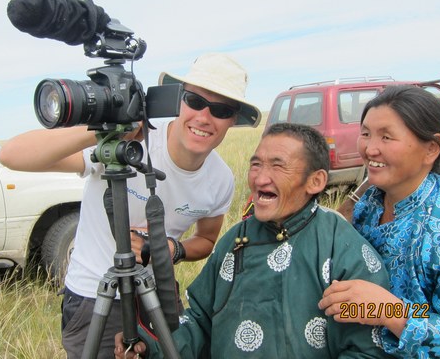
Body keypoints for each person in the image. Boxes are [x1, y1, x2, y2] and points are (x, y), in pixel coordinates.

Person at [0, 53, 261, 358]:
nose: (204, 117)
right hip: (95, 296)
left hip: (157, 292)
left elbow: (205, 240)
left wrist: (169, 248)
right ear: (178, 100)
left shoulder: (220, 180)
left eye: (221, 110)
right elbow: (12, 155)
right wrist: (104, 133)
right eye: (194, 101)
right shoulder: (128, 141)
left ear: (233, 120)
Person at [115, 122, 392, 358]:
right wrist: (149, 348)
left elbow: (368, 349)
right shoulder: (236, 241)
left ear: (315, 181)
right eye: (256, 164)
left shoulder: (341, 248)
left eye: (277, 166)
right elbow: (199, 322)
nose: (260, 178)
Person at [319, 85, 440, 358]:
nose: (370, 148)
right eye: (365, 134)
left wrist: (390, 311)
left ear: (431, 149)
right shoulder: (369, 206)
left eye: (386, 137)